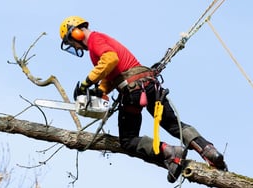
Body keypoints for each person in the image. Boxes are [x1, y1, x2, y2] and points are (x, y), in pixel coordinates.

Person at [59, 16, 227, 183]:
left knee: (128, 140)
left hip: (133, 91)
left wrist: (86, 83)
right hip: (148, 85)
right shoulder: (100, 40)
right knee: (171, 123)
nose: (74, 46)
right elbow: (111, 73)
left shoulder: (95, 39)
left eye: (70, 42)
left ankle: (169, 152)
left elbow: (110, 59)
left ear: (75, 33)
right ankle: (208, 150)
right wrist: (100, 90)